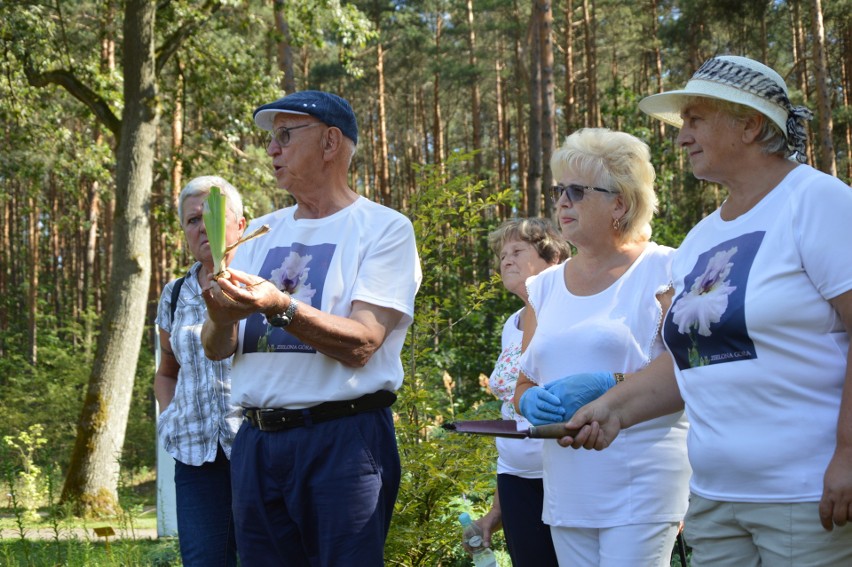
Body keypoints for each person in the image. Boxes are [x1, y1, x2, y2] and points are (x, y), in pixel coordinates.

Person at [560, 55, 852, 566]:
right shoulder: (700, 239)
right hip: (715, 500)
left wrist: (849, 454)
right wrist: (614, 409)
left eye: (695, 119)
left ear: (750, 124)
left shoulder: (820, 203)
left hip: (807, 495)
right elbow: (691, 361)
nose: (681, 137)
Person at [199, 90, 422, 566]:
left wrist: (281, 306)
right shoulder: (259, 231)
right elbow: (218, 349)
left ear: (330, 143)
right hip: (257, 443)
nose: (271, 149)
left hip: (342, 440)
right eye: (270, 139)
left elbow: (363, 342)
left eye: (285, 135)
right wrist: (219, 318)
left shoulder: (384, 228)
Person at [512, 128, 691, 566]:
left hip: (641, 482)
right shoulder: (544, 287)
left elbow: (691, 370)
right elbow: (524, 383)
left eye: (576, 190)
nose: (562, 202)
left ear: (621, 203)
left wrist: (607, 387)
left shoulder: (668, 268)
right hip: (567, 488)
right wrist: (528, 401)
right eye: (558, 191)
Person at [153, 175, 246, 567]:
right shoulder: (174, 294)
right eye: (192, 220)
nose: (202, 226)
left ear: (240, 223)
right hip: (196, 459)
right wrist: (170, 415)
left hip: (259, 451)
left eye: (212, 213)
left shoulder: (263, 281)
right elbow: (167, 369)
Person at [473, 218, 570, 566]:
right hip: (515, 480)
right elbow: (510, 416)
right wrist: (496, 511)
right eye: (502, 255)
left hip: (564, 476)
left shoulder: (567, 314)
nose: (506, 260)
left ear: (552, 257)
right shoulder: (511, 324)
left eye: (517, 251)